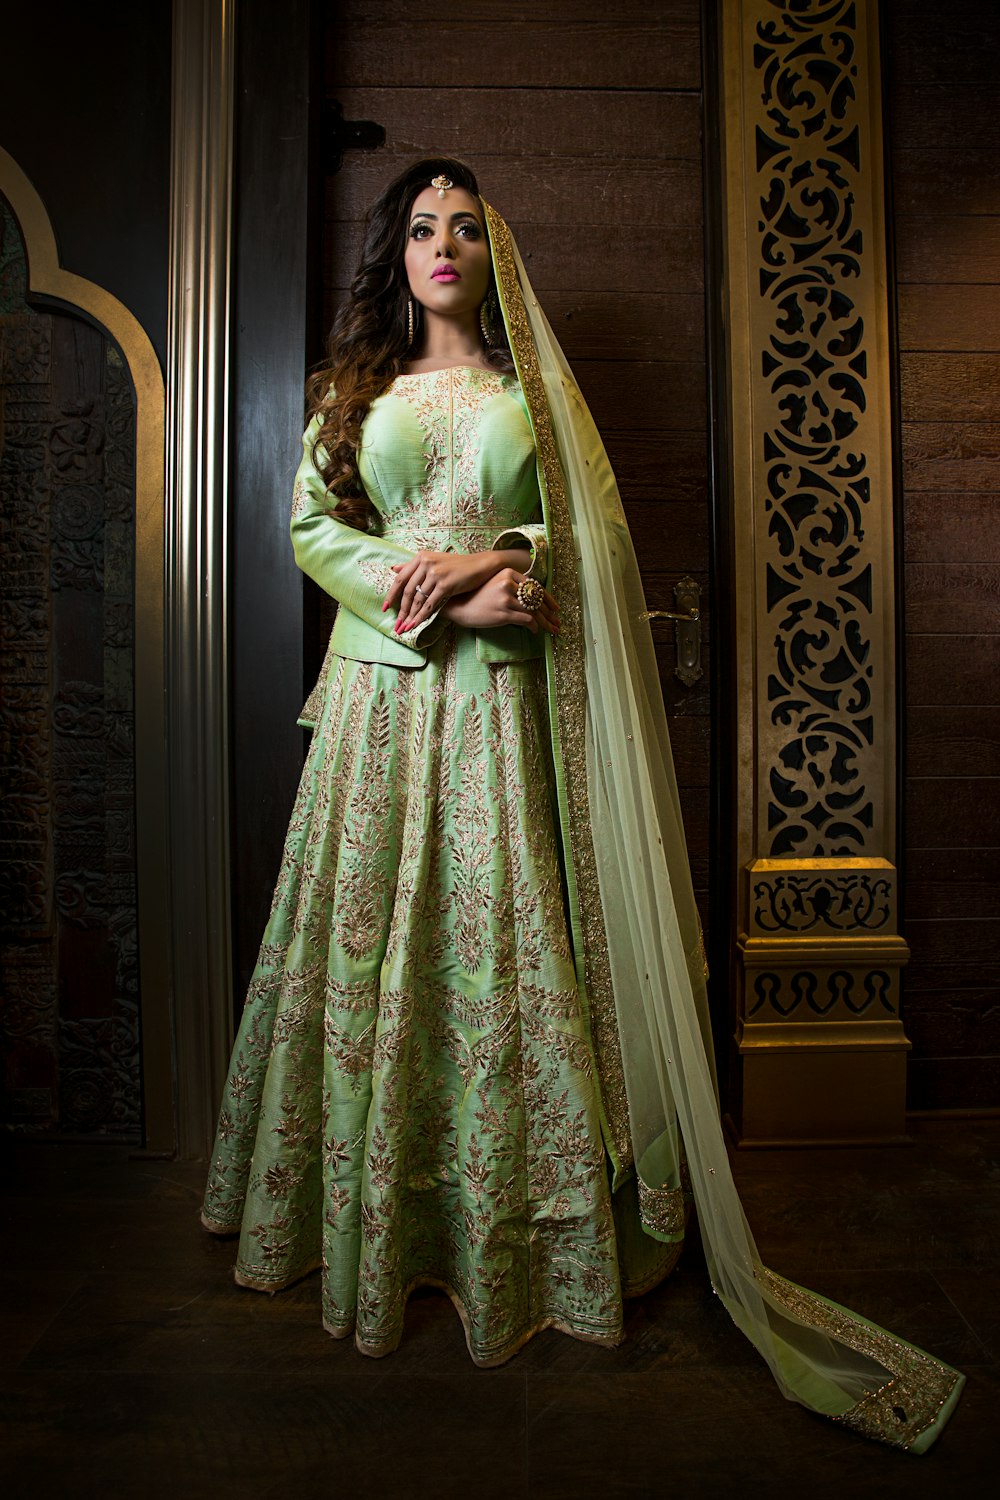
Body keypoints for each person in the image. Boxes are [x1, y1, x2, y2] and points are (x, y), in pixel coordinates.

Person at [202, 158, 963, 1450]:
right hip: (387, 705)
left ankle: (532, 1230)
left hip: (505, 710)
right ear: (394, 253)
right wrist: (440, 588)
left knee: (508, 952)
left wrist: (509, 564)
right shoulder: (355, 392)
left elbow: (584, 540)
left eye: (467, 227)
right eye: (422, 227)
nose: (444, 245)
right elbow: (311, 531)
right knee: (375, 944)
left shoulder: (532, 398)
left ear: (497, 255)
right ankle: (367, 1213)